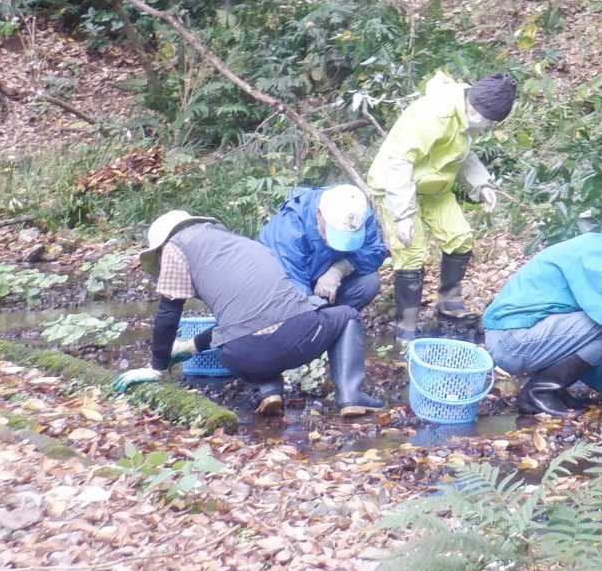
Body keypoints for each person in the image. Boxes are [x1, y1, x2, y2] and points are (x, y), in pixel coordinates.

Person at [124, 210, 360, 416]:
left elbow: (168, 312)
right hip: (301, 339)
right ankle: (351, 398)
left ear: (160, 249)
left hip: (241, 357)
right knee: (346, 315)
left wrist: (157, 367)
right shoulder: (238, 244)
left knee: (243, 342)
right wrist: (187, 347)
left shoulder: (175, 246)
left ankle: (269, 389)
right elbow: (251, 318)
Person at [366, 70, 518, 333]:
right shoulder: (435, 114)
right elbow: (400, 162)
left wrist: (481, 185)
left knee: (460, 237)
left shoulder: (467, 116)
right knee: (411, 253)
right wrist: (403, 215)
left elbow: (461, 154)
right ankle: (406, 327)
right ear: (475, 106)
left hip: (434, 188)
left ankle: (448, 306)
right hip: (396, 186)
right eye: (487, 121)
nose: (487, 126)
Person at [482, 231, 602, 417]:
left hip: (520, 340)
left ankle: (552, 390)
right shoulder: (597, 250)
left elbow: (578, 343)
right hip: (512, 339)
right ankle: (538, 393)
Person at [257, 183, 387, 417]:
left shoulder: (358, 212)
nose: (336, 243)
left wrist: (339, 270)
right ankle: (269, 386)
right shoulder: (288, 230)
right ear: (319, 215)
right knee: (271, 316)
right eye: (333, 234)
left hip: (325, 283)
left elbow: (373, 251)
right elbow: (288, 286)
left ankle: (350, 394)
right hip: (280, 293)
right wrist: (314, 312)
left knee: (368, 283)